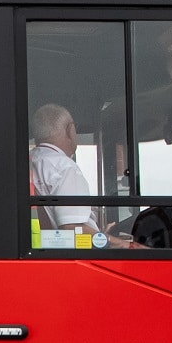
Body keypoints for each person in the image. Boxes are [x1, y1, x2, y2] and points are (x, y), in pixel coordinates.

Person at [29, 103, 110, 244]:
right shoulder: (64, 167)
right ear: (69, 129)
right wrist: (113, 242)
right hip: (67, 256)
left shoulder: (32, 162)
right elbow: (72, 228)